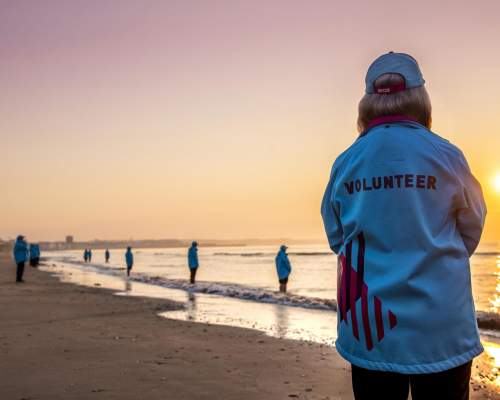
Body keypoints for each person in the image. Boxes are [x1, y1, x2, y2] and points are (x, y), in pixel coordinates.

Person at [321, 52, 486, 400]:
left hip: (369, 327)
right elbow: (472, 227)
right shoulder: (446, 155)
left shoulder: (347, 161)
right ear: (420, 98)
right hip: (440, 326)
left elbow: (336, 235)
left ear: (366, 103)